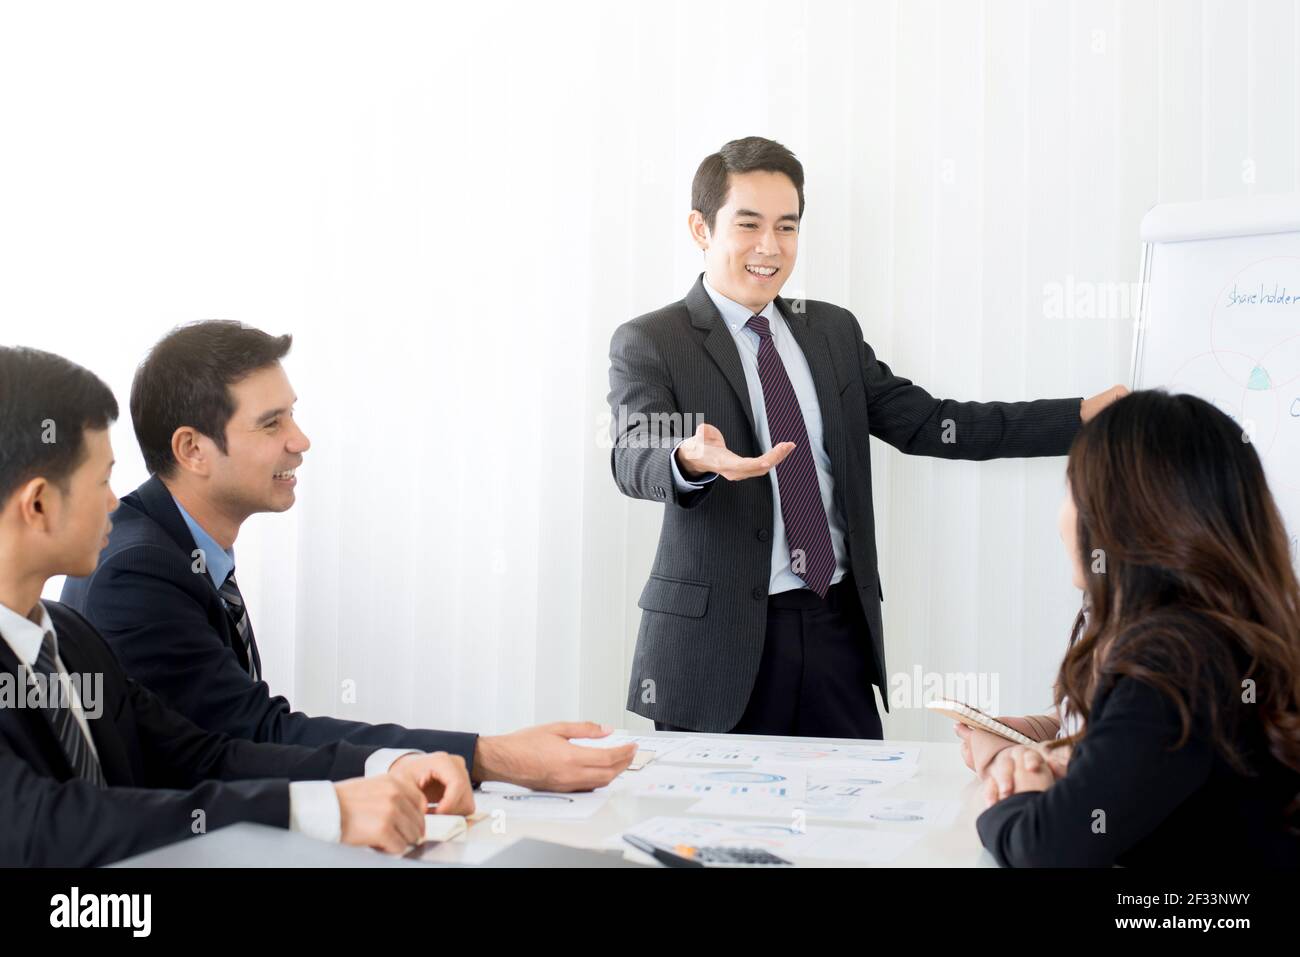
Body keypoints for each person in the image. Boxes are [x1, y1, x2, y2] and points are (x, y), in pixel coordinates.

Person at [607, 135, 1127, 737]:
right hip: (716, 648)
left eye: (787, 227)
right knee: (714, 828)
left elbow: (931, 423)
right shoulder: (652, 339)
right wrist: (687, 459)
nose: (769, 248)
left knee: (857, 818)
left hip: (835, 627)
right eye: (748, 225)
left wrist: (1080, 417)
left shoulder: (829, 331)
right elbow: (632, 451)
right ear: (701, 228)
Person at [62, 321, 634, 793]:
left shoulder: (172, 544)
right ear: (193, 449)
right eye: (271, 423)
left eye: (292, 413)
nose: (300, 440)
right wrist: (490, 756)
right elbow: (253, 736)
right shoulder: (139, 569)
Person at [0, 346, 473, 865]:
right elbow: (44, 823)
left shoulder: (68, 638)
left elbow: (205, 755)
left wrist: (387, 767)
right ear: (39, 504)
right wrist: (325, 809)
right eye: (101, 481)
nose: (115, 501)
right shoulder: (135, 569)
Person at [976, 390, 1300, 866]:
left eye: (1071, 490)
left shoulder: (1175, 657)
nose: (1062, 519)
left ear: (1122, 516)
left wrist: (1003, 785)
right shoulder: (1216, 635)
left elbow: (1049, 847)